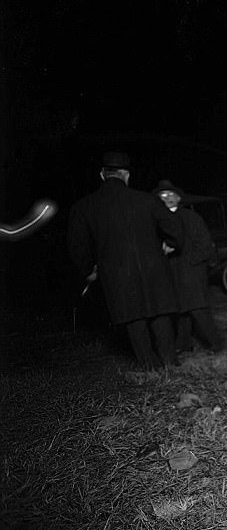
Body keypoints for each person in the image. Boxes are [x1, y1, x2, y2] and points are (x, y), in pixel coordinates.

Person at [68, 152, 183, 368]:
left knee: (133, 317)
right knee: (160, 312)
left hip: (116, 273)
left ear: (102, 175)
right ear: (126, 175)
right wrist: (172, 244)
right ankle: (169, 362)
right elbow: (174, 227)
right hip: (153, 268)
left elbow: (77, 246)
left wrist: (88, 270)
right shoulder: (147, 200)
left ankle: (149, 365)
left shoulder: (84, 206)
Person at [153, 180, 224, 353]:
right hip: (170, 271)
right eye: (163, 195)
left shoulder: (191, 217)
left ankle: (216, 344)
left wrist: (190, 262)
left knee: (197, 308)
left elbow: (205, 244)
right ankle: (184, 344)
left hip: (191, 271)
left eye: (171, 194)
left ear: (179, 198)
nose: (168, 198)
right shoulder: (157, 219)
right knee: (180, 309)